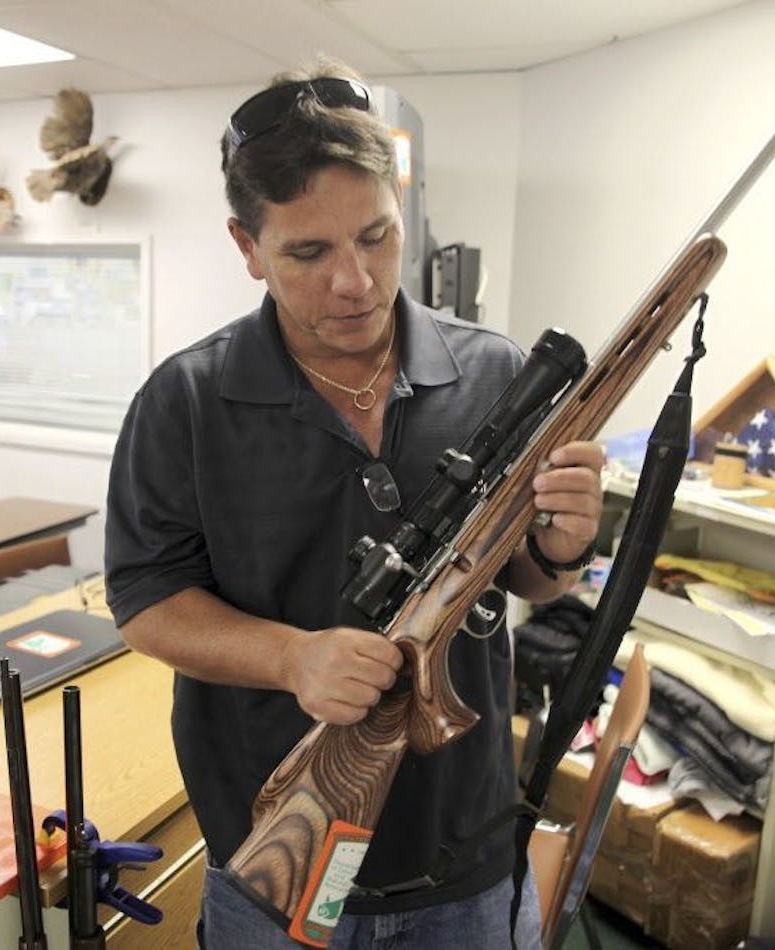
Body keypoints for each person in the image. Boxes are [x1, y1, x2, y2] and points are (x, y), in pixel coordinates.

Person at [104, 59, 604, 949]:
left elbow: (531, 581)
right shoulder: (182, 401)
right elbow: (145, 602)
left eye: (376, 237)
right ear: (246, 245)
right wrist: (292, 658)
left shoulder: (499, 374)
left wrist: (563, 544)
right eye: (308, 252)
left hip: (468, 852)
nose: (356, 280)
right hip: (272, 864)